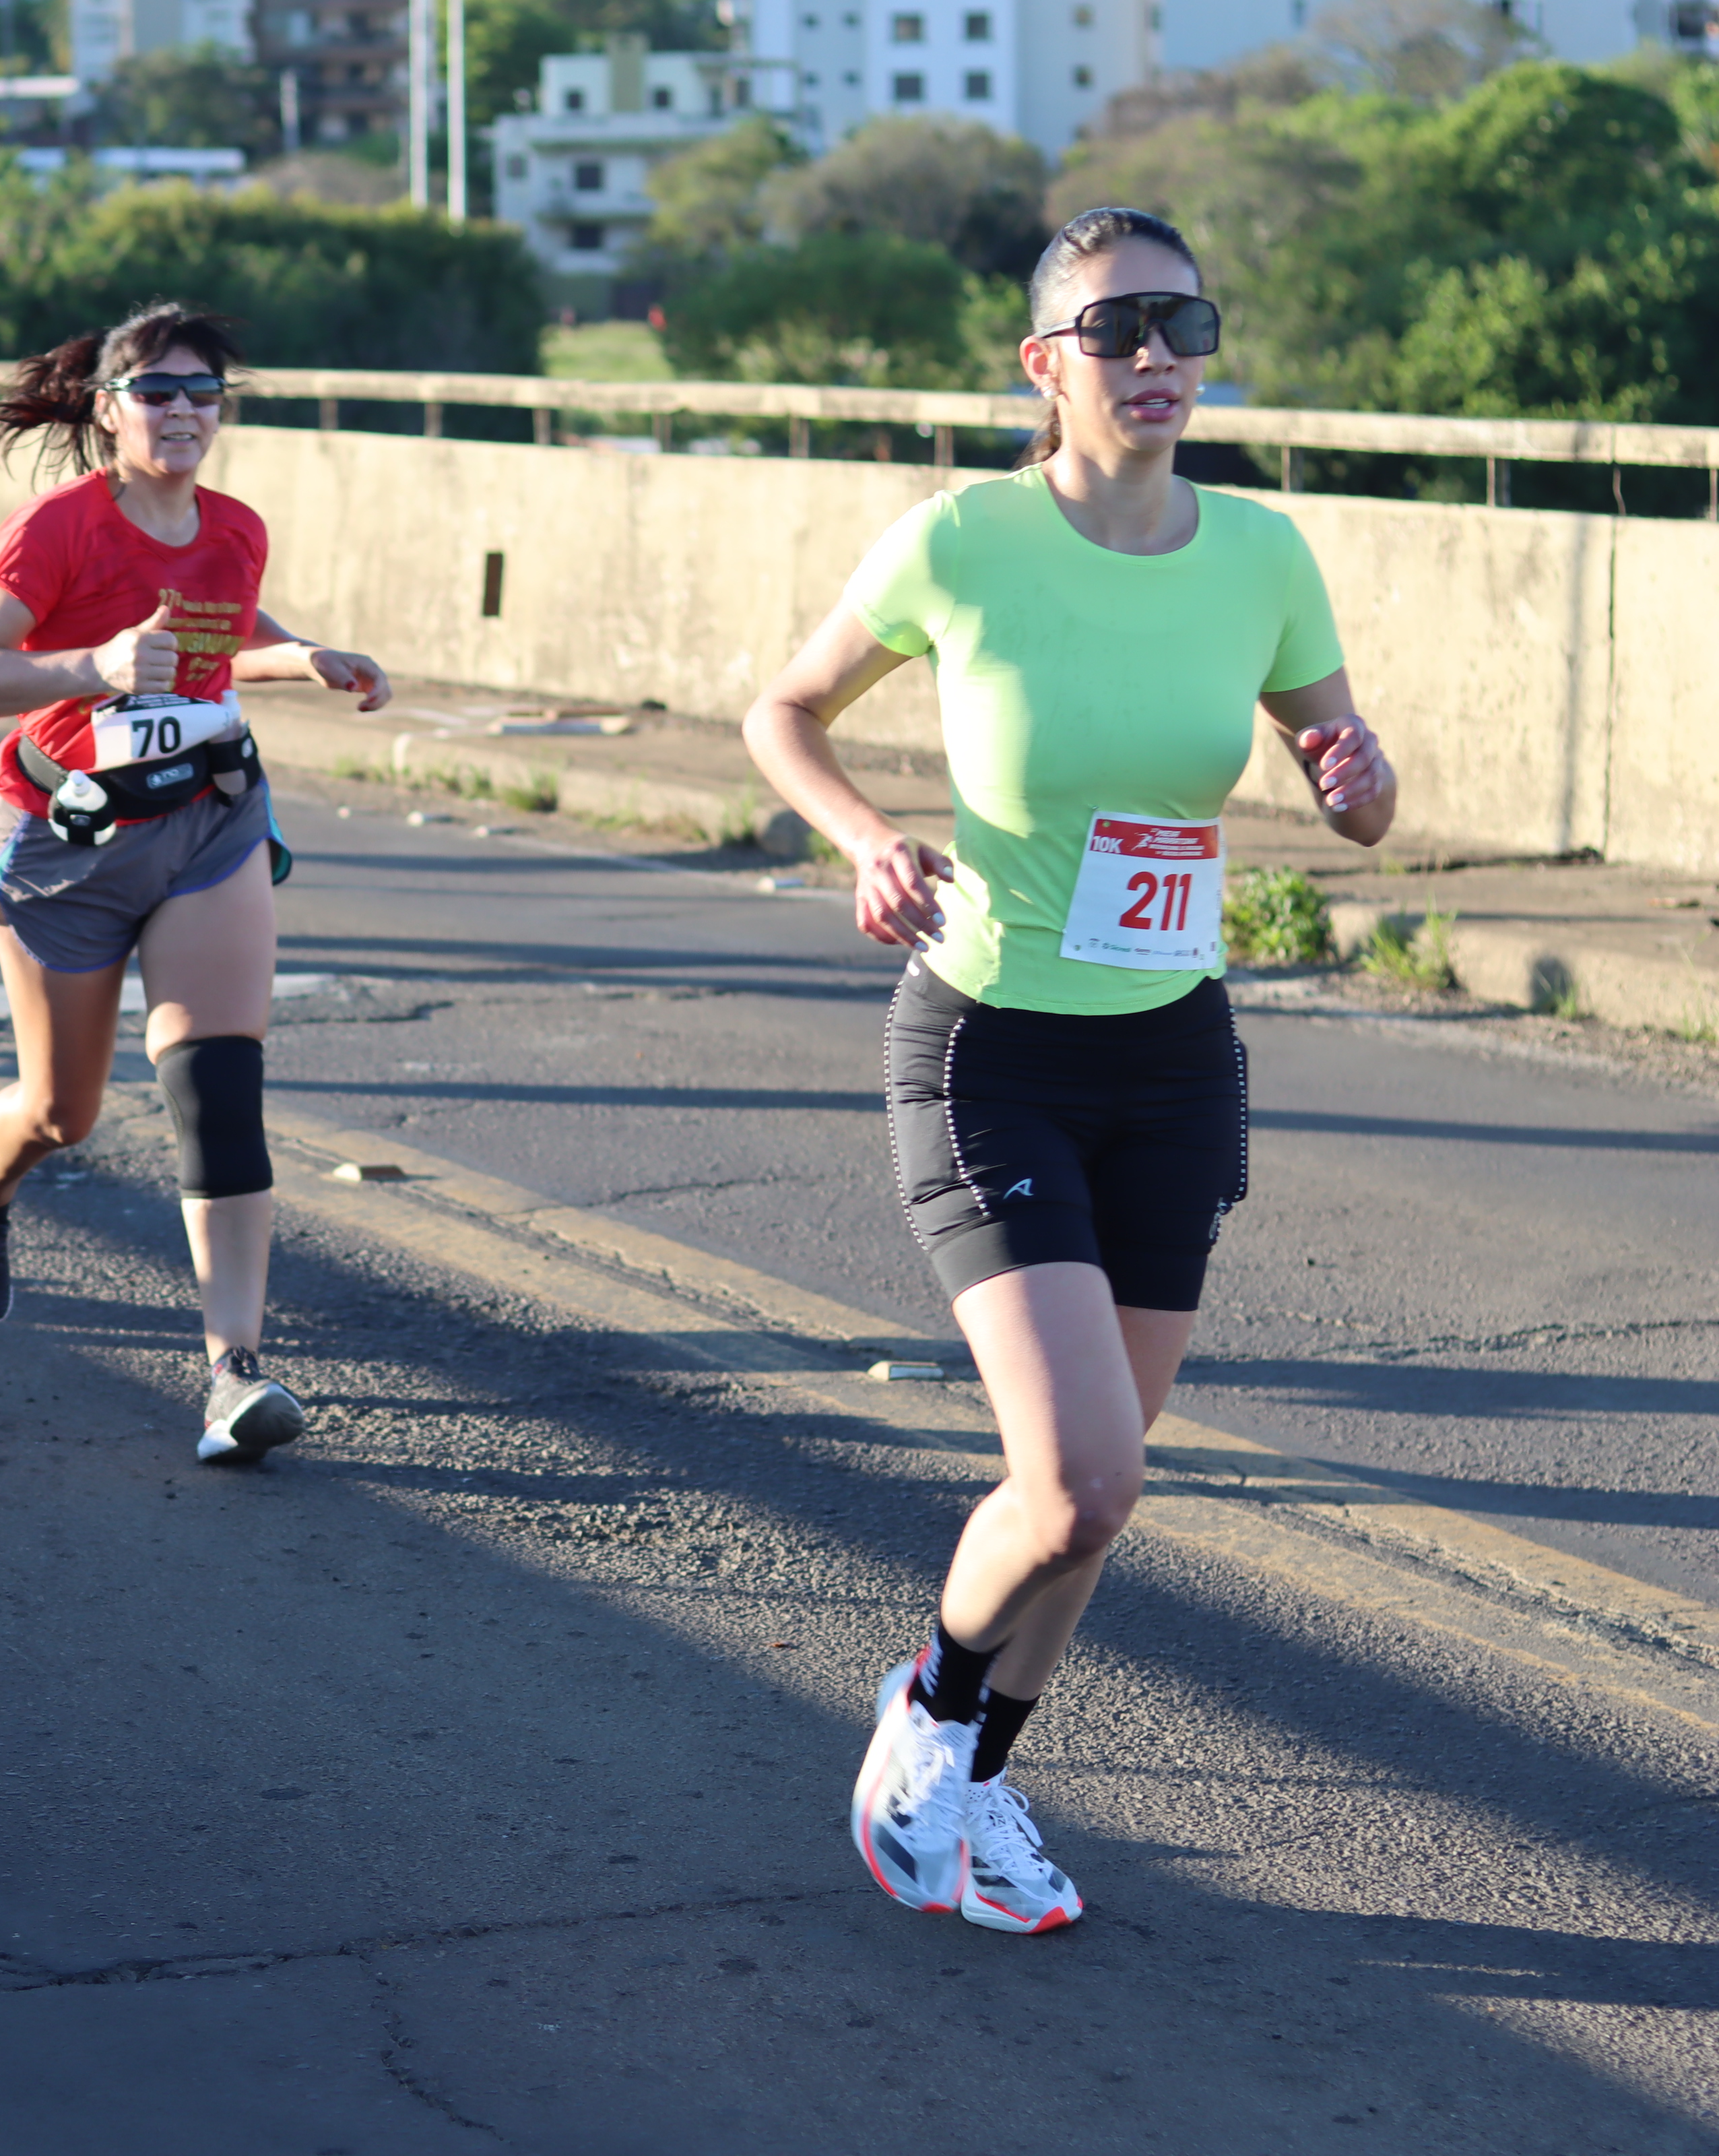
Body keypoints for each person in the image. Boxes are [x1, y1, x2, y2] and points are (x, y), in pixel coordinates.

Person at [740, 208, 1396, 1935]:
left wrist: (1352, 778)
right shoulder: (962, 540)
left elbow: (1353, 783)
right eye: (1114, 329)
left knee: (1082, 1509)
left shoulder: (1255, 551)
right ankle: (928, 1720)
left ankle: (975, 1772)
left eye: (1181, 320)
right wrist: (866, 840)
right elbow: (781, 713)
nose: (1158, 354)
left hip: (1173, 1052)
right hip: (988, 1044)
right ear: (1043, 364)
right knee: (1083, 1476)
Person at [0, 304, 391, 1465]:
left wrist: (304, 657)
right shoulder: (60, 531)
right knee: (59, 1113)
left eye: (203, 391)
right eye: (156, 391)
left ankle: (232, 1370)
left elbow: (227, 631)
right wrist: (90, 665)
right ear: (107, 405)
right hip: (64, 841)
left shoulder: (235, 527)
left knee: (216, 1084)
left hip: (206, 819)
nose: (183, 410)